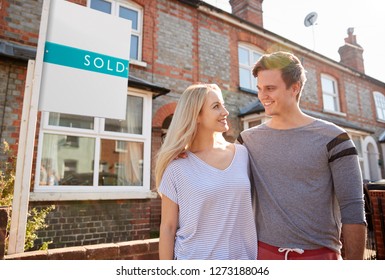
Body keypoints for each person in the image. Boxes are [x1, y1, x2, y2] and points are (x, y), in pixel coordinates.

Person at [237, 51, 367, 260]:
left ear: (295, 88)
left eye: (270, 88)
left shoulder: (335, 138)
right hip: (262, 256)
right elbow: (218, 173)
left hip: (320, 258)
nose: (262, 96)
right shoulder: (246, 141)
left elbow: (353, 209)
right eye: (260, 88)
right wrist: (186, 153)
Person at [155, 83, 258, 260]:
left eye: (223, 105)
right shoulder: (177, 167)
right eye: (216, 106)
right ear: (196, 116)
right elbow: (168, 228)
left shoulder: (242, 154)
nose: (225, 112)